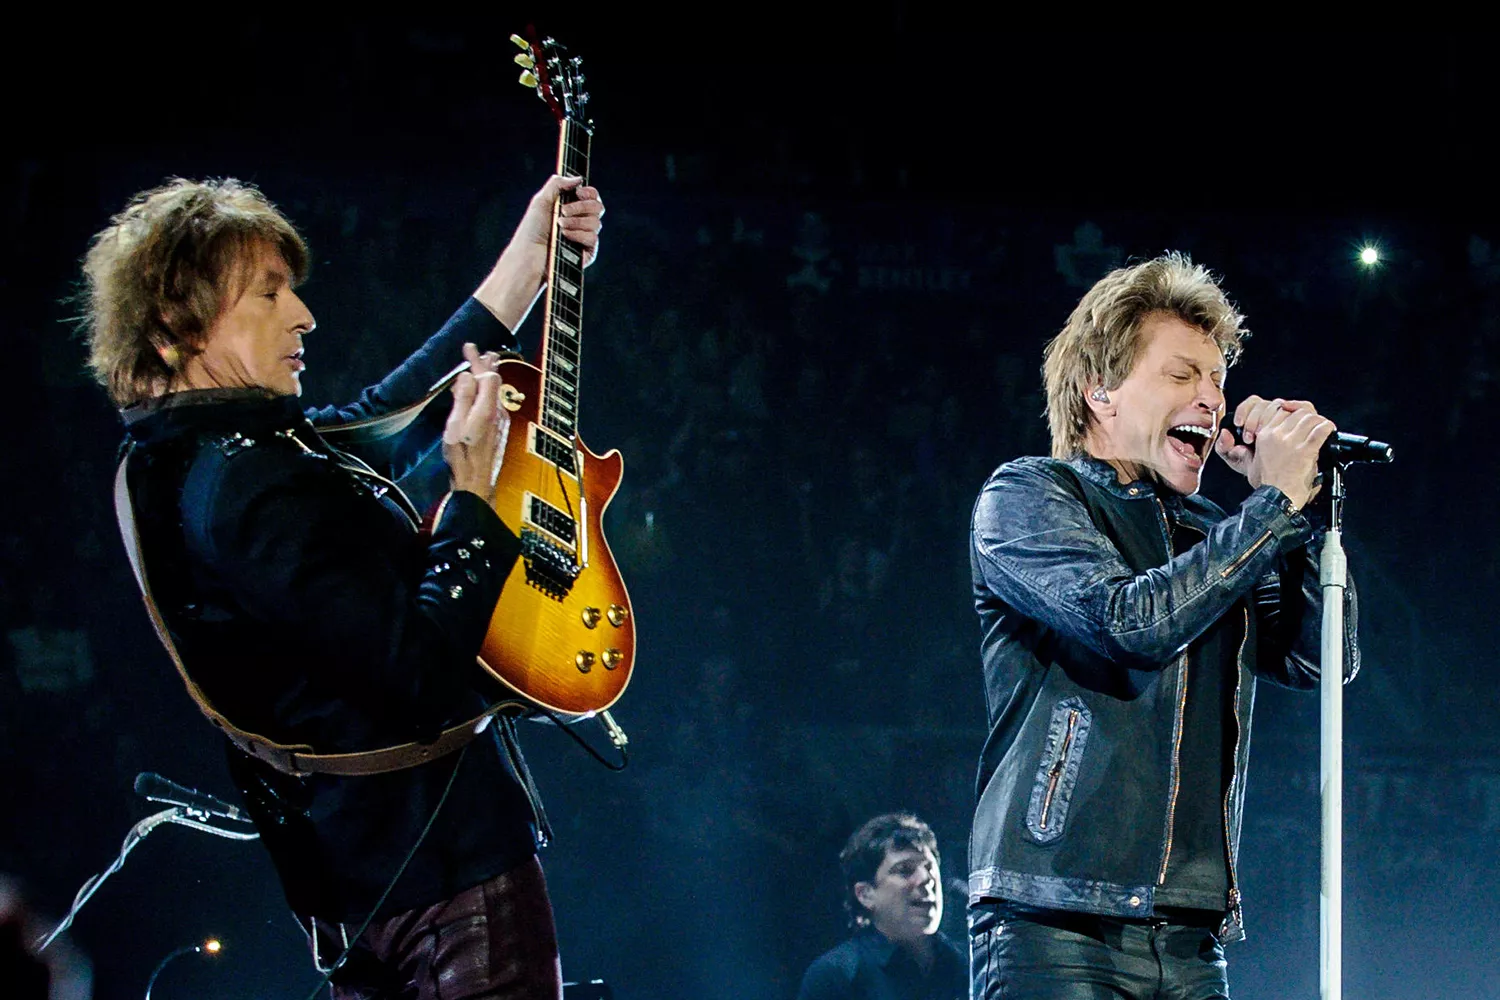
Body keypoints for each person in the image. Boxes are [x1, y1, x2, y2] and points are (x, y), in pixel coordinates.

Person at [81, 172, 603, 998]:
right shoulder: (247, 485)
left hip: (365, 887)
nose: (303, 316)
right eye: (269, 292)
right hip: (444, 881)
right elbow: (421, 675)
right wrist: (470, 493)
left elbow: (376, 416)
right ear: (183, 318)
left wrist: (528, 264)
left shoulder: (187, 458)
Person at [964, 253, 1361, 999]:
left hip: (1189, 932)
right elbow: (1128, 622)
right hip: (1055, 918)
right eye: (1182, 376)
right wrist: (1268, 511)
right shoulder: (1030, 496)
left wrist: (1298, 514)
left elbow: (1321, 661)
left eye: (1217, 379)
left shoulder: (1222, 532)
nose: (1212, 399)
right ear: (1101, 391)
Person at [797, 813, 966, 1000]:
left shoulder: (970, 964)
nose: (926, 879)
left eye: (929, 867)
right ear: (865, 894)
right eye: (904, 870)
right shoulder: (834, 977)